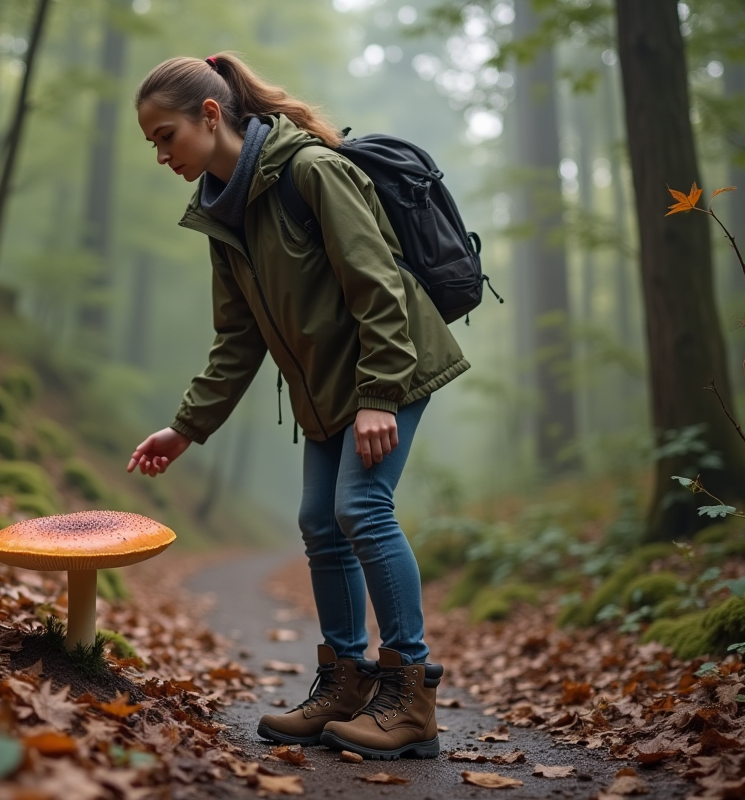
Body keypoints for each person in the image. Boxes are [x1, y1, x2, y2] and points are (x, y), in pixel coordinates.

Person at [125, 53, 470, 761]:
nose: (161, 154)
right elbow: (237, 340)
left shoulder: (310, 171)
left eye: (166, 136)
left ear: (210, 115)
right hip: (326, 386)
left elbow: (378, 285)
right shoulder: (222, 215)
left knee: (362, 510)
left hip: (389, 365)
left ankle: (411, 698)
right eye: (152, 143)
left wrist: (380, 395)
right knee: (320, 520)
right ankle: (345, 683)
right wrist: (185, 429)